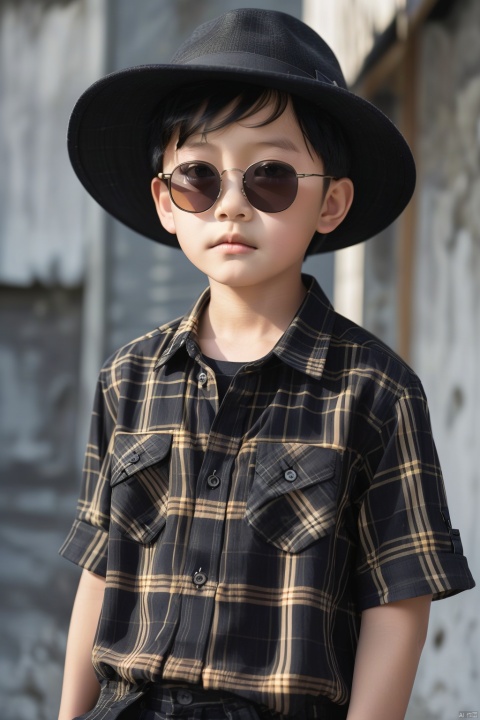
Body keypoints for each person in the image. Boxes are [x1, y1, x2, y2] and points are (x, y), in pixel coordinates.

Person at [57, 9, 475, 720]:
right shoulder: (128, 379)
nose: (231, 206)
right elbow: (100, 573)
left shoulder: (376, 392)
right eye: (198, 176)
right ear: (165, 199)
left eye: (271, 176)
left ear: (331, 202)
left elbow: (398, 600)